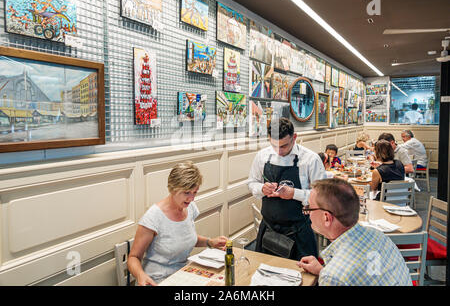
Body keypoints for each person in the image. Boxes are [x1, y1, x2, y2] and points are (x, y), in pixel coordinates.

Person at [128, 161, 228, 285]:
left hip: (183, 274)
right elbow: (133, 258)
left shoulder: (189, 208)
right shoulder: (153, 217)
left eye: (195, 192)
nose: (192, 198)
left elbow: (184, 238)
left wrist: (210, 242)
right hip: (157, 280)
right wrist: (140, 275)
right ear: (173, 189)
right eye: (187, 192)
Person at [297, 178, 412, 286]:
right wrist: (322, 271)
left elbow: (340, 277)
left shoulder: (334, 277)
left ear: (326, 217)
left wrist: (328, 275)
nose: (307, 213)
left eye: (309, 208)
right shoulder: (379, 235)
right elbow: (370, 274)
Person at [247, 117, 325, 260]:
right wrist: (262, 189)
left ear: (294, 138)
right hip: (269, 229)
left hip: (299, 232)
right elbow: (252, 182)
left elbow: (322, 196)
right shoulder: (262, 156)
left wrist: (294, 193)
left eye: (284, 146)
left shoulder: (310, 159)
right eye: (274, 146)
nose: (279, 151)